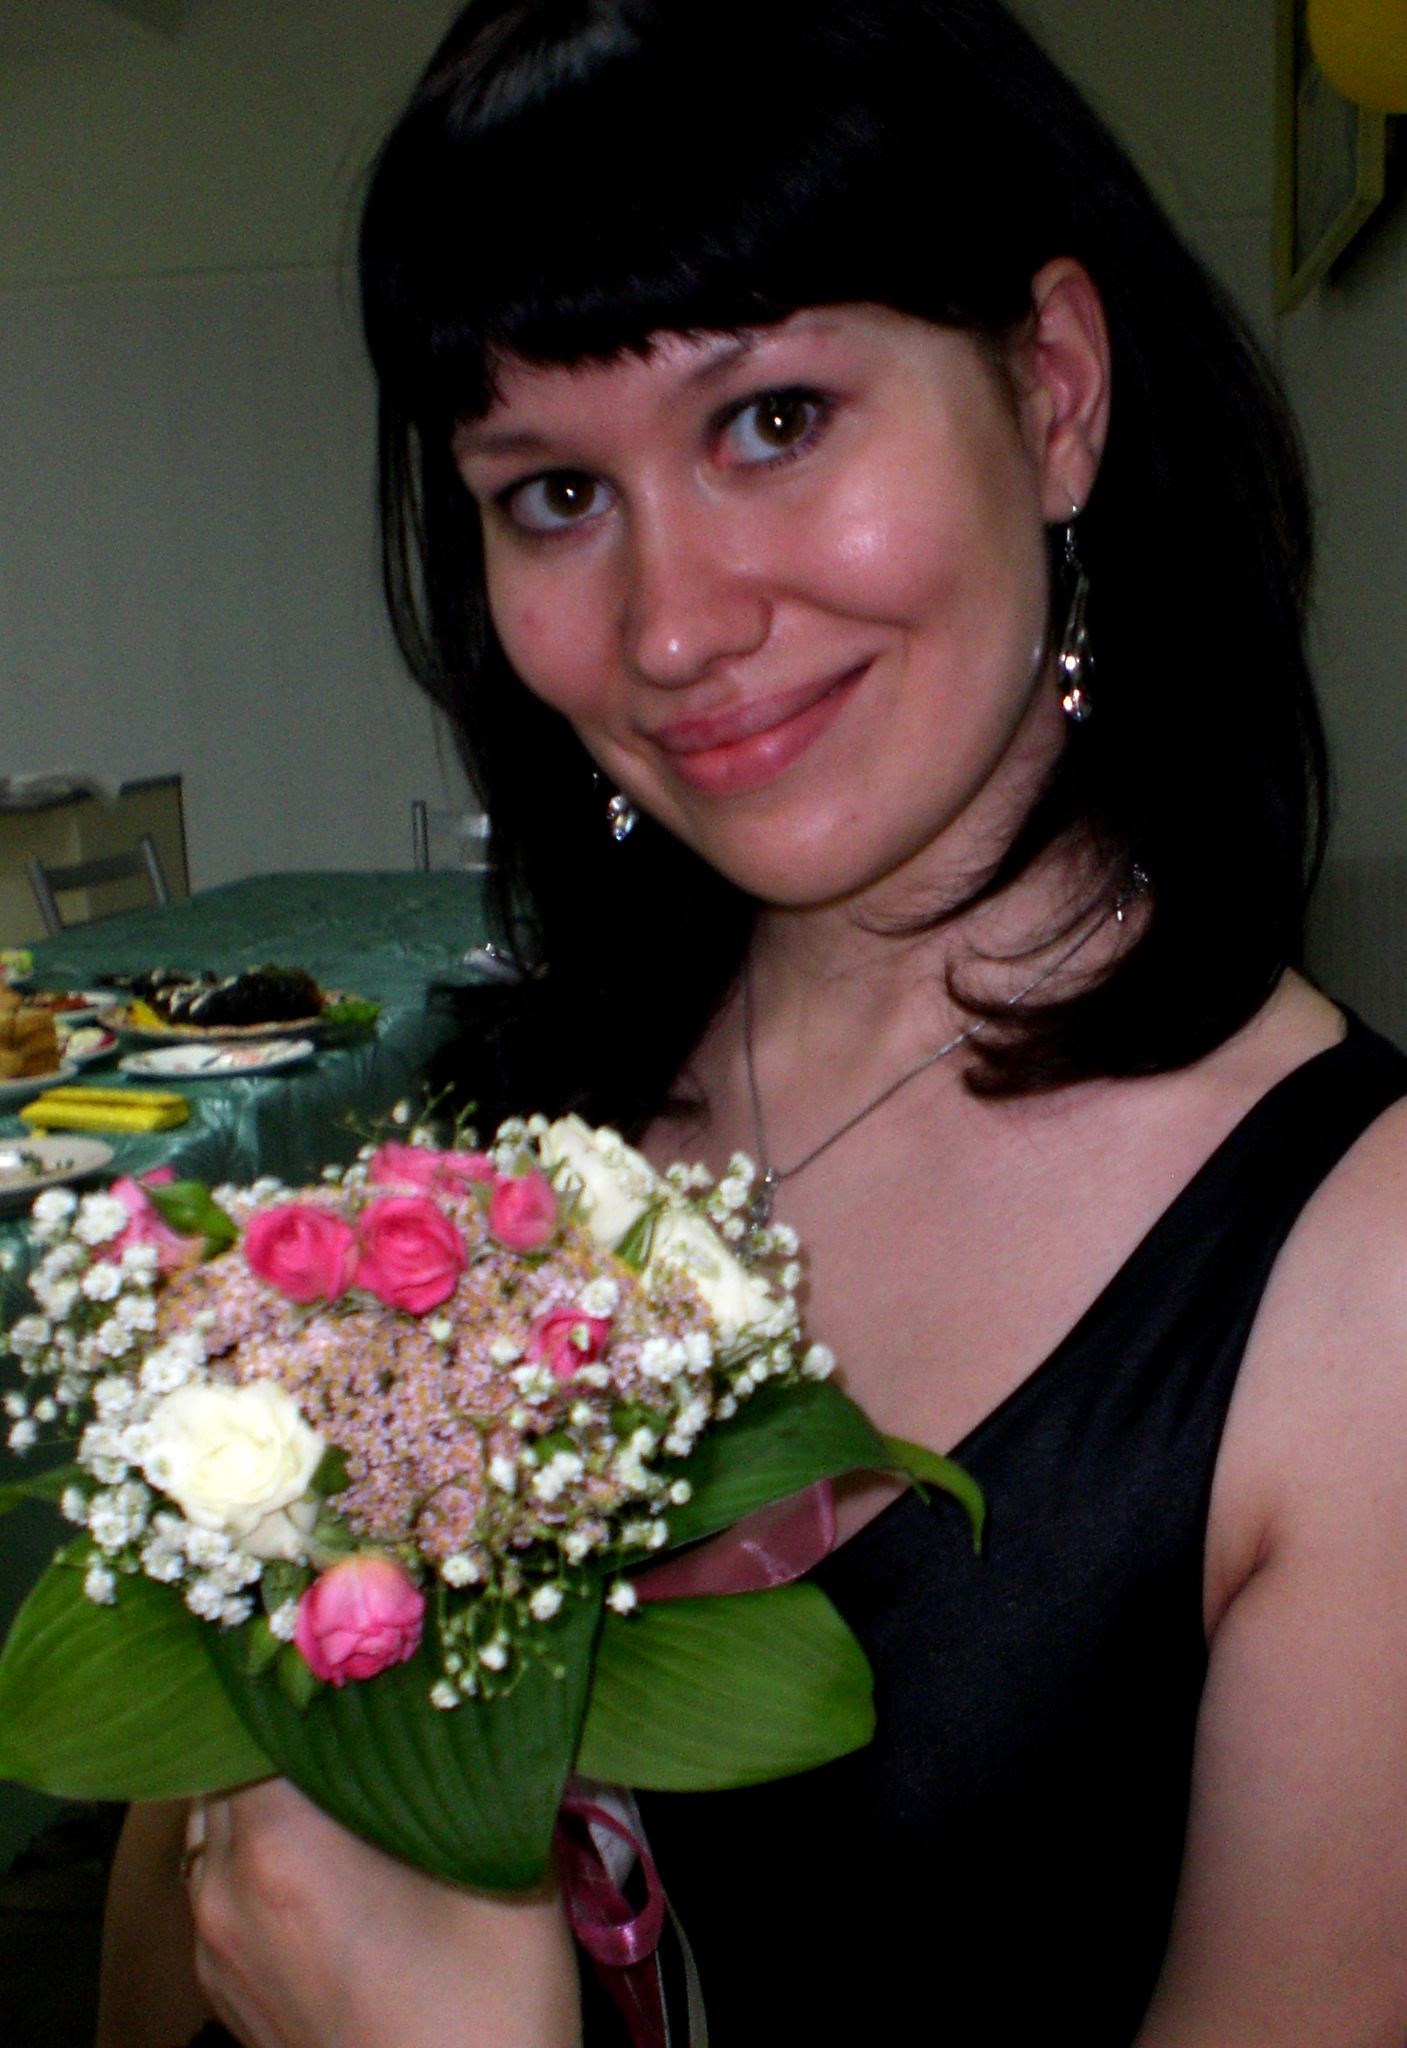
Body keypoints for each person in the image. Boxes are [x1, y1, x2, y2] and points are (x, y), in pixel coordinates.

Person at [98, 1, 1407, 2043]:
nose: (674, 624)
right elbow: (172, 1935)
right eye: (552, 492)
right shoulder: (482, 1159)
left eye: (774, 419)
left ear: (1053, 393)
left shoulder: (1361, 1294)